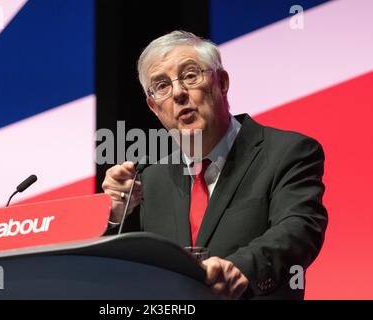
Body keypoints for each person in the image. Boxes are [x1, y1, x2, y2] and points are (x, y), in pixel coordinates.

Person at [102, 30, 328, 299]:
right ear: (153, 107)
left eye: (189, 75)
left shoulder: (286, 152)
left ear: (222, 82)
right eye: (161, 86)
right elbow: (119, 270)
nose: (178, 93)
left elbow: (299, 229)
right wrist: (117, 214)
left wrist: (240, 270)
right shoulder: (149, 180)